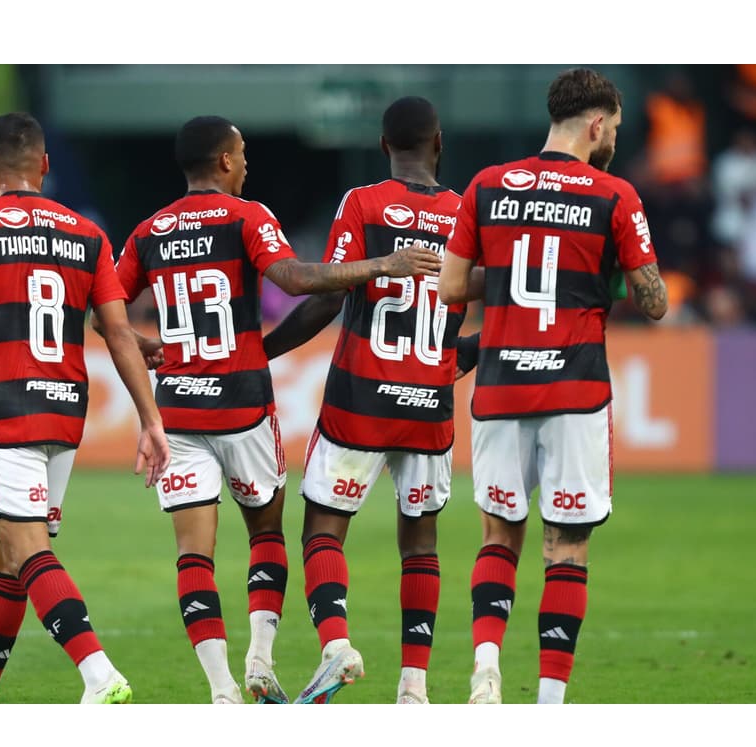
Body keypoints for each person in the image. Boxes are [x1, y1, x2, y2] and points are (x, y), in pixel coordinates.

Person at [104, 115, 441, 704]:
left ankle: (224, 690)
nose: (248, 165)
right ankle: (261, 656)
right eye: (243, 154)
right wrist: (380, 265)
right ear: (226, 161)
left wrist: (150, 344)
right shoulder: (247, 215)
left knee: (193, 552)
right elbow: (296, 277)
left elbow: (102, 312)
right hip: (242, 404)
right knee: (267, 532)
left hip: (180, 409)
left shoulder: (149, 231)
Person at [0, 112, 170, 704]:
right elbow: (120, 333)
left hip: (7, 409)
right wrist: (151, 421)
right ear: (44, 165)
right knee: (9, 557)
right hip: (64, 413)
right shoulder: (87, 233)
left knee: (25, 547)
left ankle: (99, 673)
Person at [437, 68, 668, 705]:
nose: (613, 139)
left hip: (502, 386)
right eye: (614, 129)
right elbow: (655, 302)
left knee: (497, 533)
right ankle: (548, 705)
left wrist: (510, 273)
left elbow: (452, 288)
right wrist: (606, 274)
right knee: (565, 546)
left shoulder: (486, 185)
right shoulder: (615, 195)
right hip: (575, 390)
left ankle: (486, 667)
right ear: (596, 124)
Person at [262, 96, 472, 704]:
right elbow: (460, 313)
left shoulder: (364, 203)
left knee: (324, 532)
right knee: (422, 542)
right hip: (429, 400)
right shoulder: (463, 215)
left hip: (362, 396)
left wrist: (266, 350)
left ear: (385, 148)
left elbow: (328, 295)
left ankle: (336, 645)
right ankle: (414, 687)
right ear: (439, 145)